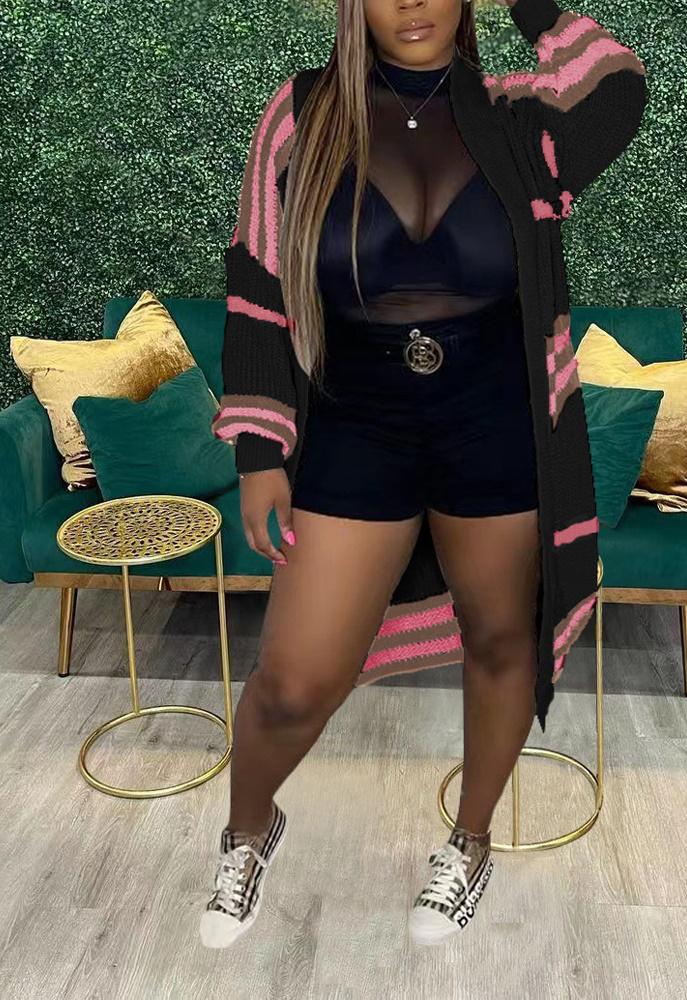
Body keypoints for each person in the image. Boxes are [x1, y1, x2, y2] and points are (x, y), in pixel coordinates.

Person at [201, 0, 647, 950]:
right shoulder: (301, 113)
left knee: (501, 638)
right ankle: (247, 830)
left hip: (497, 417)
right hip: (355, 420)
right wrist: (260, 451)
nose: (412, 2)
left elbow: (617, 91)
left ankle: (469, 843)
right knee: (293, 680)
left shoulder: (517, 115)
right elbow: (257, 283)